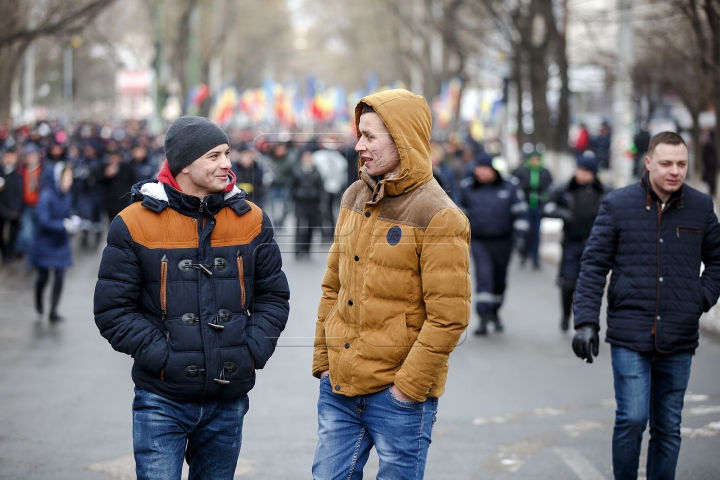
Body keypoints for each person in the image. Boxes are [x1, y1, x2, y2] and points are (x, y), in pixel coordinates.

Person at [93, 116, 290, 480]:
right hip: (160, 398)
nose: (227, 164)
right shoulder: (133, 223)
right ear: (184, 164)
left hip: (228, 398)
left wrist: (249, 353)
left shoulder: (252, 220)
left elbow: (274, 297)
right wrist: (163, 357)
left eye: (227, 153)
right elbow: (113, 310)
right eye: (214, 156)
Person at [312, 89, 470, 479]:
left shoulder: (439, 215)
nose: (358, 146)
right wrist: (324, 362)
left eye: (369, 136)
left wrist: (407, 389)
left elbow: (449, 318)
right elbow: (333, 286)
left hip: (398, 398)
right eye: (359, 134)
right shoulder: (353, 196)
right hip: (341, 388)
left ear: (401, 137)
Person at [571, 131, 720, 480]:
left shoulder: (701, 207)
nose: (675, 171)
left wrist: (701, 298)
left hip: (679, 336)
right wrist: (586, 321)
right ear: (649, 162)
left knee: (668, 426)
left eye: (682, 163)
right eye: (666, 163)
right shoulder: (618, 205)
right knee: (633, 418)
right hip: (629, 334)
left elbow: (717, 260)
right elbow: (593, 265)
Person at [460, 152, 529, 335]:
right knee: (484, 277)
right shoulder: (468, 188)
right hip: (480, 241)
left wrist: (521, 235)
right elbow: (459, 215)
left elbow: (521, 211)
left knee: (499, 280)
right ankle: (483, 317)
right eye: (478, 169)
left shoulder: (509, 187)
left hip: (504, 242)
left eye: (485, 169)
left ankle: (495, 312)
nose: (480, 173)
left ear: (493, 170)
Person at [543, 152, 610, 332]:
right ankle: (566, 315)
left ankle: (586, 322)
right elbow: (547, 205)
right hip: (571, 242)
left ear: (593, 173)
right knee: (568, 284)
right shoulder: (565, 187)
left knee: (590, 285)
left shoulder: (603, 191)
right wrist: (561, 213)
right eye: (579, 169)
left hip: (594, 244)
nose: (580, 174)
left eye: (585, 171)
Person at [33, 162, 77, 321]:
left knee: (60, 275)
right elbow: (43, 221)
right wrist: (63, 225)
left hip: (60, 241)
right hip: (45, 241)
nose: (69, 181)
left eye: (70, 178)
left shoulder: (67, 195)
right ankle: (38, 299)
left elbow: (67, 213)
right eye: (66, 178)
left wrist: (73, 219)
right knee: (43, 276)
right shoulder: (46, 196)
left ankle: (53, 310)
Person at [512, 149, 552, 269]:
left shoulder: (545, 172)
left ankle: (535, 258)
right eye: (532, 159)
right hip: (525, 206)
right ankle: (524, 254)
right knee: (525, 231)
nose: (535, 161)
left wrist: (545, 201)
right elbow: (515, 188)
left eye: (537, 159)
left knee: (536, 233)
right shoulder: (522, 171)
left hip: (538, 207)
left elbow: (550, 189)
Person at [289, 147, 324, 259]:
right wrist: (293, 198)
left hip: (314, 203)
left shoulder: (317, 171)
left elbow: (321, 187)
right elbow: (291, 187)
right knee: (300, 226)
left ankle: (307, 249)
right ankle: (298, 249)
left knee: (311, 226)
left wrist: (322, 201)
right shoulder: (296, 170)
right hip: (300, 202)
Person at [311, 138, 347, 242]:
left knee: (323, 211)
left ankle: (325, 234)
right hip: (333, 188)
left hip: (323, 189)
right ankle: (330, 234)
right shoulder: (341, 159)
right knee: (331, 211)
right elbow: (343, 177)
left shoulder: (317, 156)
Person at [0, 144, 23, 263]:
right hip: (1, 206)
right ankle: (4, 253)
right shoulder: (1, 170)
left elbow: (20, 192)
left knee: (13, 233)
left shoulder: (19, 172)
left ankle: (10, 252)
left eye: (11, 155)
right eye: (6, 155)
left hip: (13, 207)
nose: (8, 158)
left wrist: (16, 209)